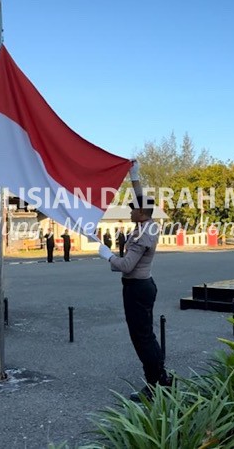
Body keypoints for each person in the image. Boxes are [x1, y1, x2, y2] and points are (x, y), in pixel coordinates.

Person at [98, 161, 171, 402]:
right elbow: (141, 199)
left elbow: (126, 265)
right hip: (142, 286)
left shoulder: (142, 233)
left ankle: (154, 386)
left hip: (137, 288)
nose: (130, 211)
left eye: (132, 209)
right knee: (146, 335)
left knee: (142, 338)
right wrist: (134, 176)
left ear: (141, 213)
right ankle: (161, 379)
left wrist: (107, 255)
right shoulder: (147, 223)